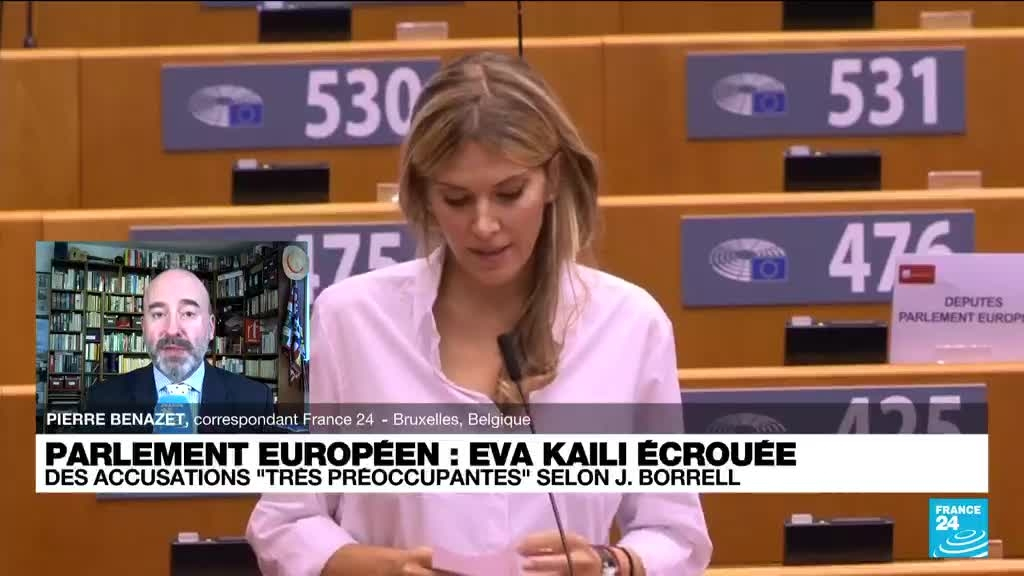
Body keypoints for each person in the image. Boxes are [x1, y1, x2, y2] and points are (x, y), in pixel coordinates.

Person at [246, 52, 712, 576]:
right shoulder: (346, 321)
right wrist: (382, 568)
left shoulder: (630, 324)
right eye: (457, 199)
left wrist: (609, 564)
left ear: (553, 178)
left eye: (509, 194)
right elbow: (286, 521)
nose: (484, 225)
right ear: (425, 194)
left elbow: (675, 534)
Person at [85, 268, 274, 431]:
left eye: (188, 313)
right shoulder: (101, 401)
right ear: (143, 328)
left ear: (211, 328)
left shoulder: (256, 401)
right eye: (158, 314)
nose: (172, 330)